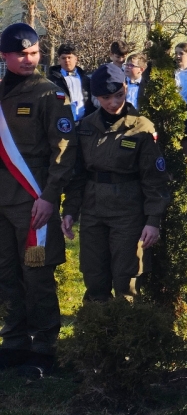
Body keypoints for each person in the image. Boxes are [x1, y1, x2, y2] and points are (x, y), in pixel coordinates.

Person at [0, 23, 77, 378]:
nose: (29, 59)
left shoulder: (50, 95)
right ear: (5, 56)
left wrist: (49, 197)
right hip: (2, 201)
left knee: (36, 275)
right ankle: (14, 341)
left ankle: (44, 346)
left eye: (34, 53)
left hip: (32, 203)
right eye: (21, 54)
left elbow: (64, 152)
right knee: (6, 274)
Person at [61, 64, 170, 302]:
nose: (113, 103)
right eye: (105, 98)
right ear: (96, 97)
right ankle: (96, 323)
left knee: (126, 278)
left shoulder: (141, 127)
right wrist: (70, 210)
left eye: (119, 95)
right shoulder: (86, 127)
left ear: (125, 89)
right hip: (93, 210)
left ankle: (126, 324)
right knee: (94, 275)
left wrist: (153, 220)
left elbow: (155, 180)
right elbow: (77, 175)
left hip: (128, 211)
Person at [48, 43, 93, 122]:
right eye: (63, 58)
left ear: (76, 59)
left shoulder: (86, 79)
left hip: (85, 122)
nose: (67, 60)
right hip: (62, 122)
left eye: (69, 57)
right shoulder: (52, 80)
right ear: (59, 60)